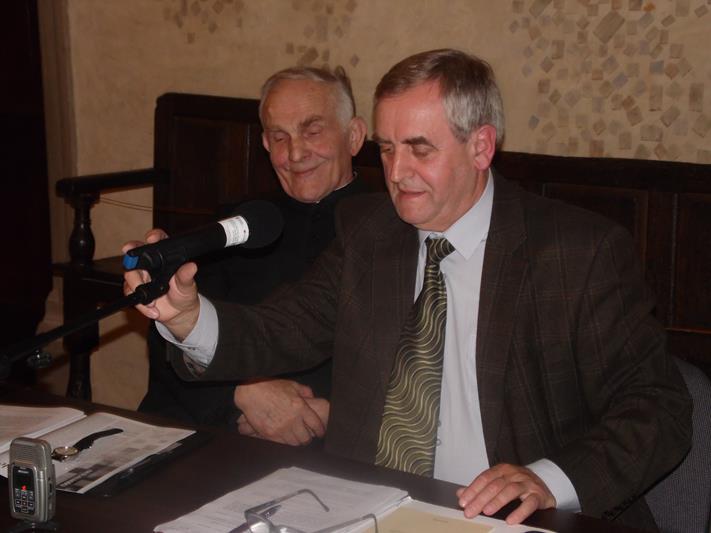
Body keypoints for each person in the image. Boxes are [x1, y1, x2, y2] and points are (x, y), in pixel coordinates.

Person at [124, 49, 691, 529]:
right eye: (388, 149)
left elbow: (658, 408)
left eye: (420, 148)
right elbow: (281, 328)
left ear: (481, 147)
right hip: (371, 509)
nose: (396, 173)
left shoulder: (577, 253)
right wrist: (187, 316)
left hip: (516, 520)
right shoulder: (370, 232)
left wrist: (548, 481)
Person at [137, 65, 368, 446]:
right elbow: (171, 339)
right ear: (264, 144)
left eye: (312, 131)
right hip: (214, 433)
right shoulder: (239, 224)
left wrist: (333, 415)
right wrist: (238, 394)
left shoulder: (387, 228)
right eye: (279, 137)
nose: (295, 153)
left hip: (332, 445)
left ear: (354, 136)